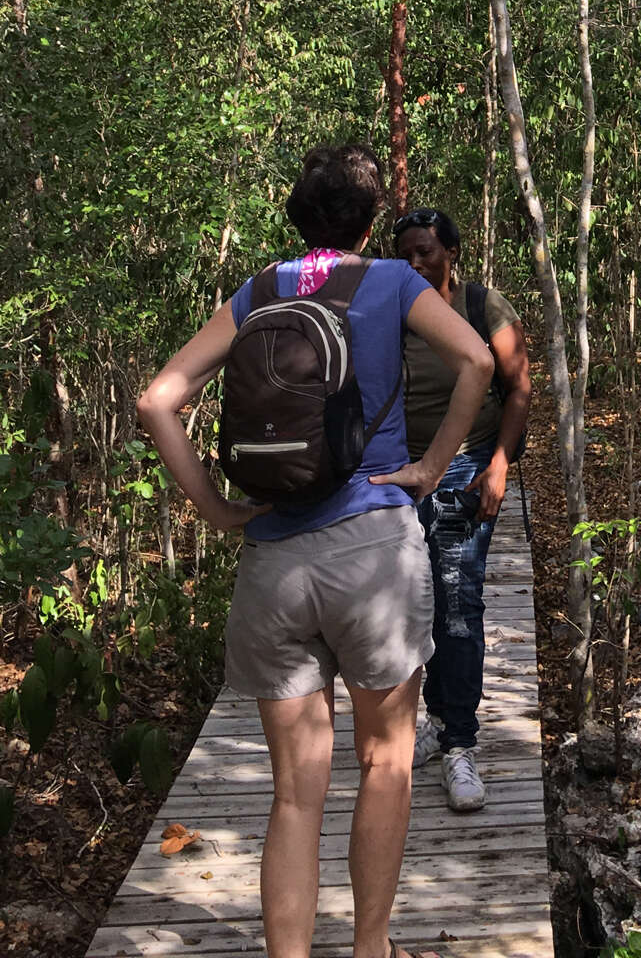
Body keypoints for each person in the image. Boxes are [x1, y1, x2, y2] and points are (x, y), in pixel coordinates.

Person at [136, 146, 494, 958]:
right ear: (371, 222)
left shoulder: (257, 291)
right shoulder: (392, 282)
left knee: (295, 796)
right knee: (385, 764)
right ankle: (372, 947)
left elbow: (158, 399)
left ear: (296, 218)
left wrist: (221, 511)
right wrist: (432, 469)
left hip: (274, 563)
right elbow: (476, 359)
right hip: (373, 549)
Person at [394, 206, 532, 815]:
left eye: (426, 250)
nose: (416, 262)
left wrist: (499, 465)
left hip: (464, 469)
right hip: (400, 473)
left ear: (451, 252)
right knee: (409, 604)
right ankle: (433, 718)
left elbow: (520, 387)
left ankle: (459, 743)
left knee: (457, 602)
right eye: (406, 253)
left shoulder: (482, 307)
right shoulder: (392, 311)